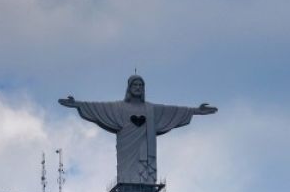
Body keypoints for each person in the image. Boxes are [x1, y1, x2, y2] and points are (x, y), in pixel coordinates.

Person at [59, 75, 217, 184]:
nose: (138, 87)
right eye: (135, 85)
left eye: (141, 85)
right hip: (126, 150)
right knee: (127, 179)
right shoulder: (118, 107)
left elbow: (174, 111)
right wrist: (77, 104)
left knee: (145, 181)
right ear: (129, 87)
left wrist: (197, 111)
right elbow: (98, 107)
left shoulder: (151, 109)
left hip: (145, 151)